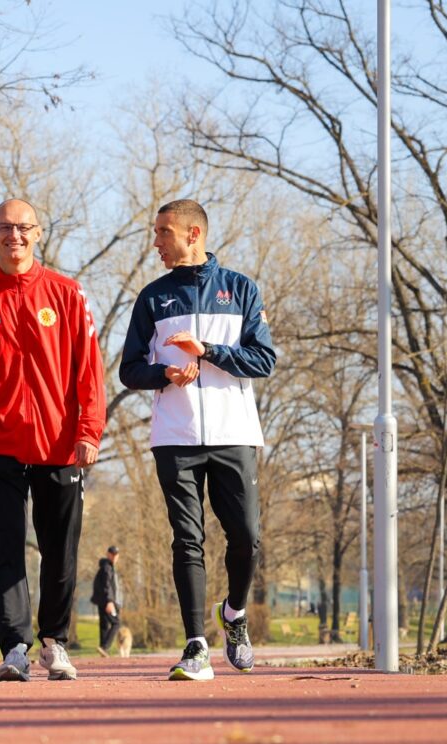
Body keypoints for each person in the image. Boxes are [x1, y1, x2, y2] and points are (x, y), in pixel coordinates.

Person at [0, 198, 107, 682]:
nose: (14, 235)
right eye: (4, 228)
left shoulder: (67, 293)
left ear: (38, 233)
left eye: (23, 227)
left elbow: (89, 371)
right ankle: (14, 646)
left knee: (60, 549)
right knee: (6, 549)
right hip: (0, 446)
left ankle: (54, 643)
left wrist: (88, 430)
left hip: (60, 445)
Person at [119, 198, 275, 682]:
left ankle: (233, 613)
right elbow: (129, 370)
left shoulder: (241, 289)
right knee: (187, 539)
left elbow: (263, 360)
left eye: (164, 232)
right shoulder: (152, 297)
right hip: (175, 436)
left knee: (246, 538)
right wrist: (164, 372)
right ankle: (196, 646)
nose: (156, 242)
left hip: (234, 434)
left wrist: (207, 351)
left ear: (194, 235)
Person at [91, 545, 123, 657]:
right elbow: (107, 585)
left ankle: (103, 650)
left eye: (116, 555)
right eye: (112, 554)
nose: (114, 556)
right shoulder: (107, 567)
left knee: (104, 625)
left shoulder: (107, 566)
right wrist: (110, 601)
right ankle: (104, 647)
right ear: (108, 554)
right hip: (106, 601)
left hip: (102, 600)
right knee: (116, 623)